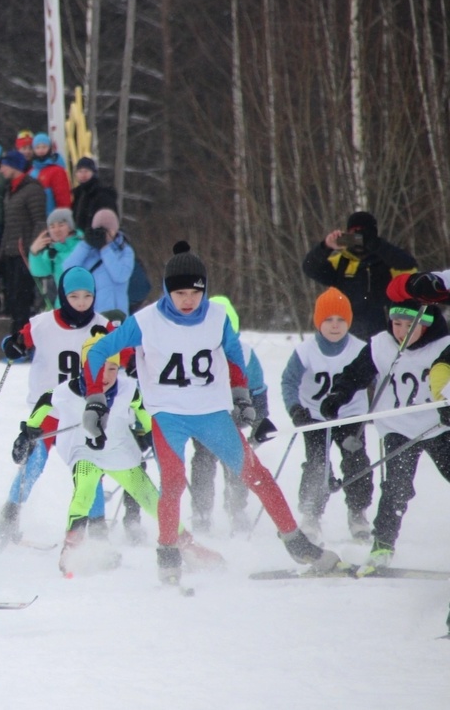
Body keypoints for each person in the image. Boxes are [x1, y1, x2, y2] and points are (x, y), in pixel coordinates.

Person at [82, 242, 345, 585]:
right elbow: (99, 351)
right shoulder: (145, 321)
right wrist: (94, 399)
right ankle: (168, 553)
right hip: (168, 415)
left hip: (211, 411)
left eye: (196, 292)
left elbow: (235, 356)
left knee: (257, 474)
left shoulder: (217, 318)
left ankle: (296, 542)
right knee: (173, 483)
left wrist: (241, 394)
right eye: (180, 293)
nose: (189, 300)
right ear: (166, 290)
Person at [25, 330, 221, 576]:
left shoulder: (128, 389)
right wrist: (29, 431)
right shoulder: (68, 391)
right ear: (85, 366)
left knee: (150, 497)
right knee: (84, 490)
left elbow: (142, 410)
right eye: (99, 368)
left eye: (112, 368)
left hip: (119, 453)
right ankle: (72, 546)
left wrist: (149, 433)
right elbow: (44, 402)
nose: (106, 376)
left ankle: (186, 545)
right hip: (84, 452)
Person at [319, 301, 450, 568]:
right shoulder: (381, 345)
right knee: (396, 488)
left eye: (408, 326)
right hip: (398, 427)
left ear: (425, 325)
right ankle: (383, 545)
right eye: (396, 324)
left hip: (437, 427)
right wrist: (338, 394)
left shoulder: (443, 346)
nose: (400, 331)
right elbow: (355, 374)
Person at [0, 266, 110, 544]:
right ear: (63, 296)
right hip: (48, 408)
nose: (82, 302)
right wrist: (12, 346)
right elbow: (17, 341)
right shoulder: (42, 324)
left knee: (88, 466)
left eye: (87, 296)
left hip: (83, 409)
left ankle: (96, 525)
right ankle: (9, 516)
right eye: (74, 297)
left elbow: (124, 352)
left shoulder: (103, 325)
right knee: (34, 462)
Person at [280, 288, 372, 542]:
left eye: (341, 320)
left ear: (349, 321)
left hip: (351, 418)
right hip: (314, 418)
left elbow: (380, 377)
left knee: (356, 462)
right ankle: (311, 514)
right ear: (318, 321)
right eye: (328, 320)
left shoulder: (362, 349)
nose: (334, 326)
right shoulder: (306, 350)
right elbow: (288, 382)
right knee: (317, 464)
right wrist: (295, 410)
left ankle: (357, 513)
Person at [188, 296, 267, 535]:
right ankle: (201, 512)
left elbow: (258, 389)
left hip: (235, 419)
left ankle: (237, 508)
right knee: (202, 462)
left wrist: (260, 421)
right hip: (204, 418)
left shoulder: (245, 352)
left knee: (237, 463)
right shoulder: (195, 350)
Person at [301, 211, 417, 338]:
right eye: (353, 233)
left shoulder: (388, 261)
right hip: (348, 335)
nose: (358, 238)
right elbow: (310, 267)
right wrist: (326, 246)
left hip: (383, 336)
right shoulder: (341, 262)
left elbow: (409, 266)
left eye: (363, 233)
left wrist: (377, 245)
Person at [0, 150, 47, 331]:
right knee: (12, 302)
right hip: (11, 254)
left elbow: (40, 221)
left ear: (14, 166)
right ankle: (16, 341)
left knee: (22, 302)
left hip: (24, 255)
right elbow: (9, 226)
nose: (1, 170)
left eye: (4, 165)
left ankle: (22, 342)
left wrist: (31, 251)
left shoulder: (32, 189)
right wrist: (1, 253)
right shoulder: (11, 191)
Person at [62, 208, 133, 315]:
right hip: (89, 312)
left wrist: (105, 249)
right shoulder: (87, 250)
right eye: (100, 230)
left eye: (107, 230)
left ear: (116, 230)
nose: (103, 234)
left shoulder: (124, 250)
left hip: (115, 313)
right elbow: (68, 269)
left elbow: (121, 275)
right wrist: (85, 244)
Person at [29, 208, 83, 311]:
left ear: (71, 227)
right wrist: (34, 253)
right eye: (52, 226)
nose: (56, 230)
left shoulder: (82, 246)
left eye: (61, 225)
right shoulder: (53, 250)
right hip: (62, 306)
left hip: (83, 305)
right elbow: (40, 272)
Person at [70, 157, 119, 235]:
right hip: (79, 238)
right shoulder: (78, 193)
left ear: (93, 173)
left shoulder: (102, 193)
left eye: (86, 171)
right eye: (80, 171)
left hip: (96, 238)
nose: (83, 175)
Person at [28, 133, 72, 216]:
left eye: (44, 147)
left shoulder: (57, 170)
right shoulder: (31, 171)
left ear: (49, 148)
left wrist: (63, 216)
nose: (41, 151)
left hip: (52, 219)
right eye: (37, 147)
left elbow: (63, 197)